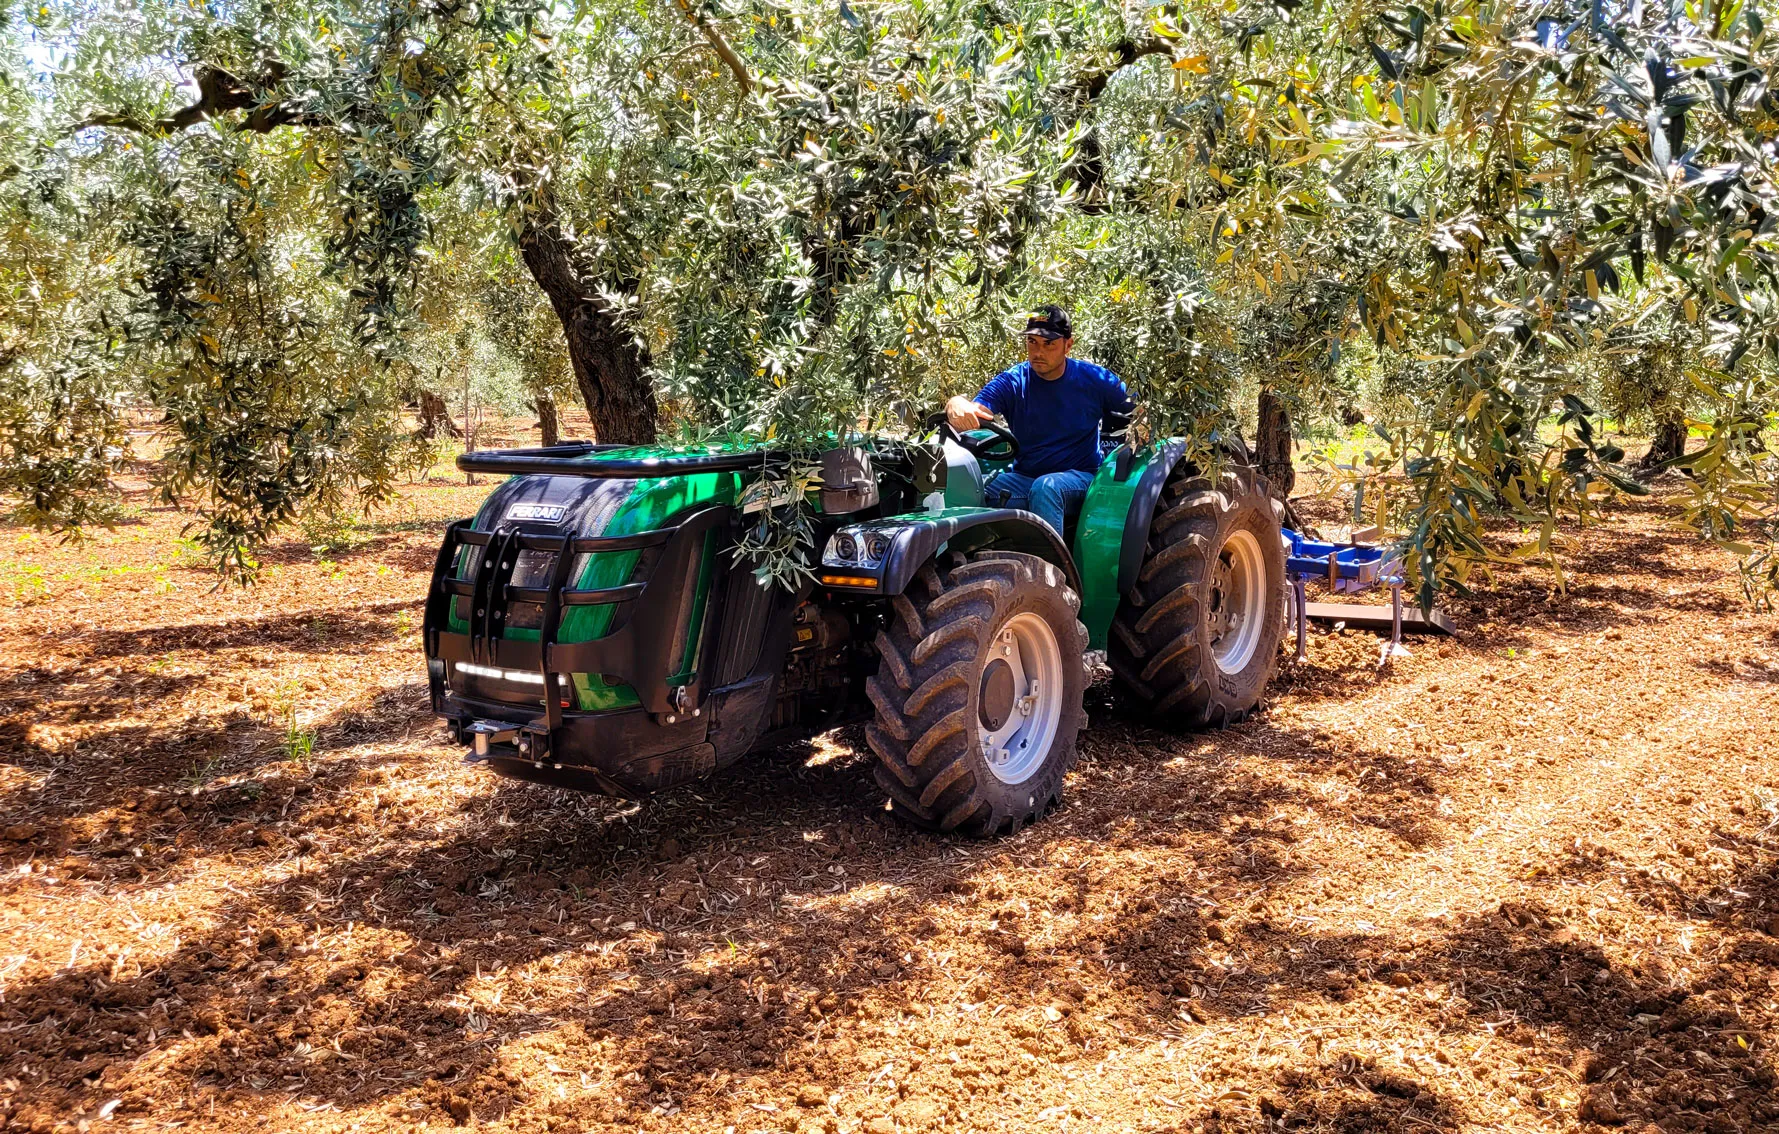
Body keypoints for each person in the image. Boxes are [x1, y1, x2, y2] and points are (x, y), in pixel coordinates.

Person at [944, 305, 1134, 537]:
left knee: (1046, 488)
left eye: (1048, 344)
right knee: (972, 490)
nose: (1038, 352)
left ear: (1068, 345)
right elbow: (977, 409)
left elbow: (1139, 408)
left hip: (1081, 477)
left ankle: (1053, 571)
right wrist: (955, 403)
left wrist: (1141, 430)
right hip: (1025, 478)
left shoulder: (1095, 379)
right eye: (1032, 342)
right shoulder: (1014, 380)